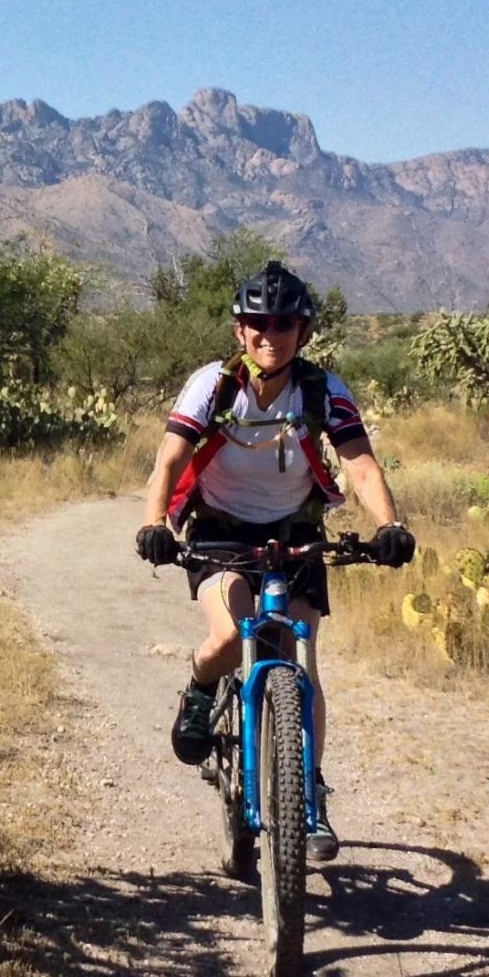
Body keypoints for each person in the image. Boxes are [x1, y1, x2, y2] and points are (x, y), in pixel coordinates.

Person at [134, 261, 415, 861]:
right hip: (219, 530)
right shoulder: (212, 386)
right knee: (230, 637)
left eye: (282, 323)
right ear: (240, 331)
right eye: (257, 323)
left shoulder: (321, 390)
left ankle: (308, 794)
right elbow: (169, 461)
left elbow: (360, 464)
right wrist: (155, 523)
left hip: (296, 533)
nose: (269, 333)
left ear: (302, 332)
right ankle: (201, 689)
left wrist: (389, 525)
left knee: (301, 658)